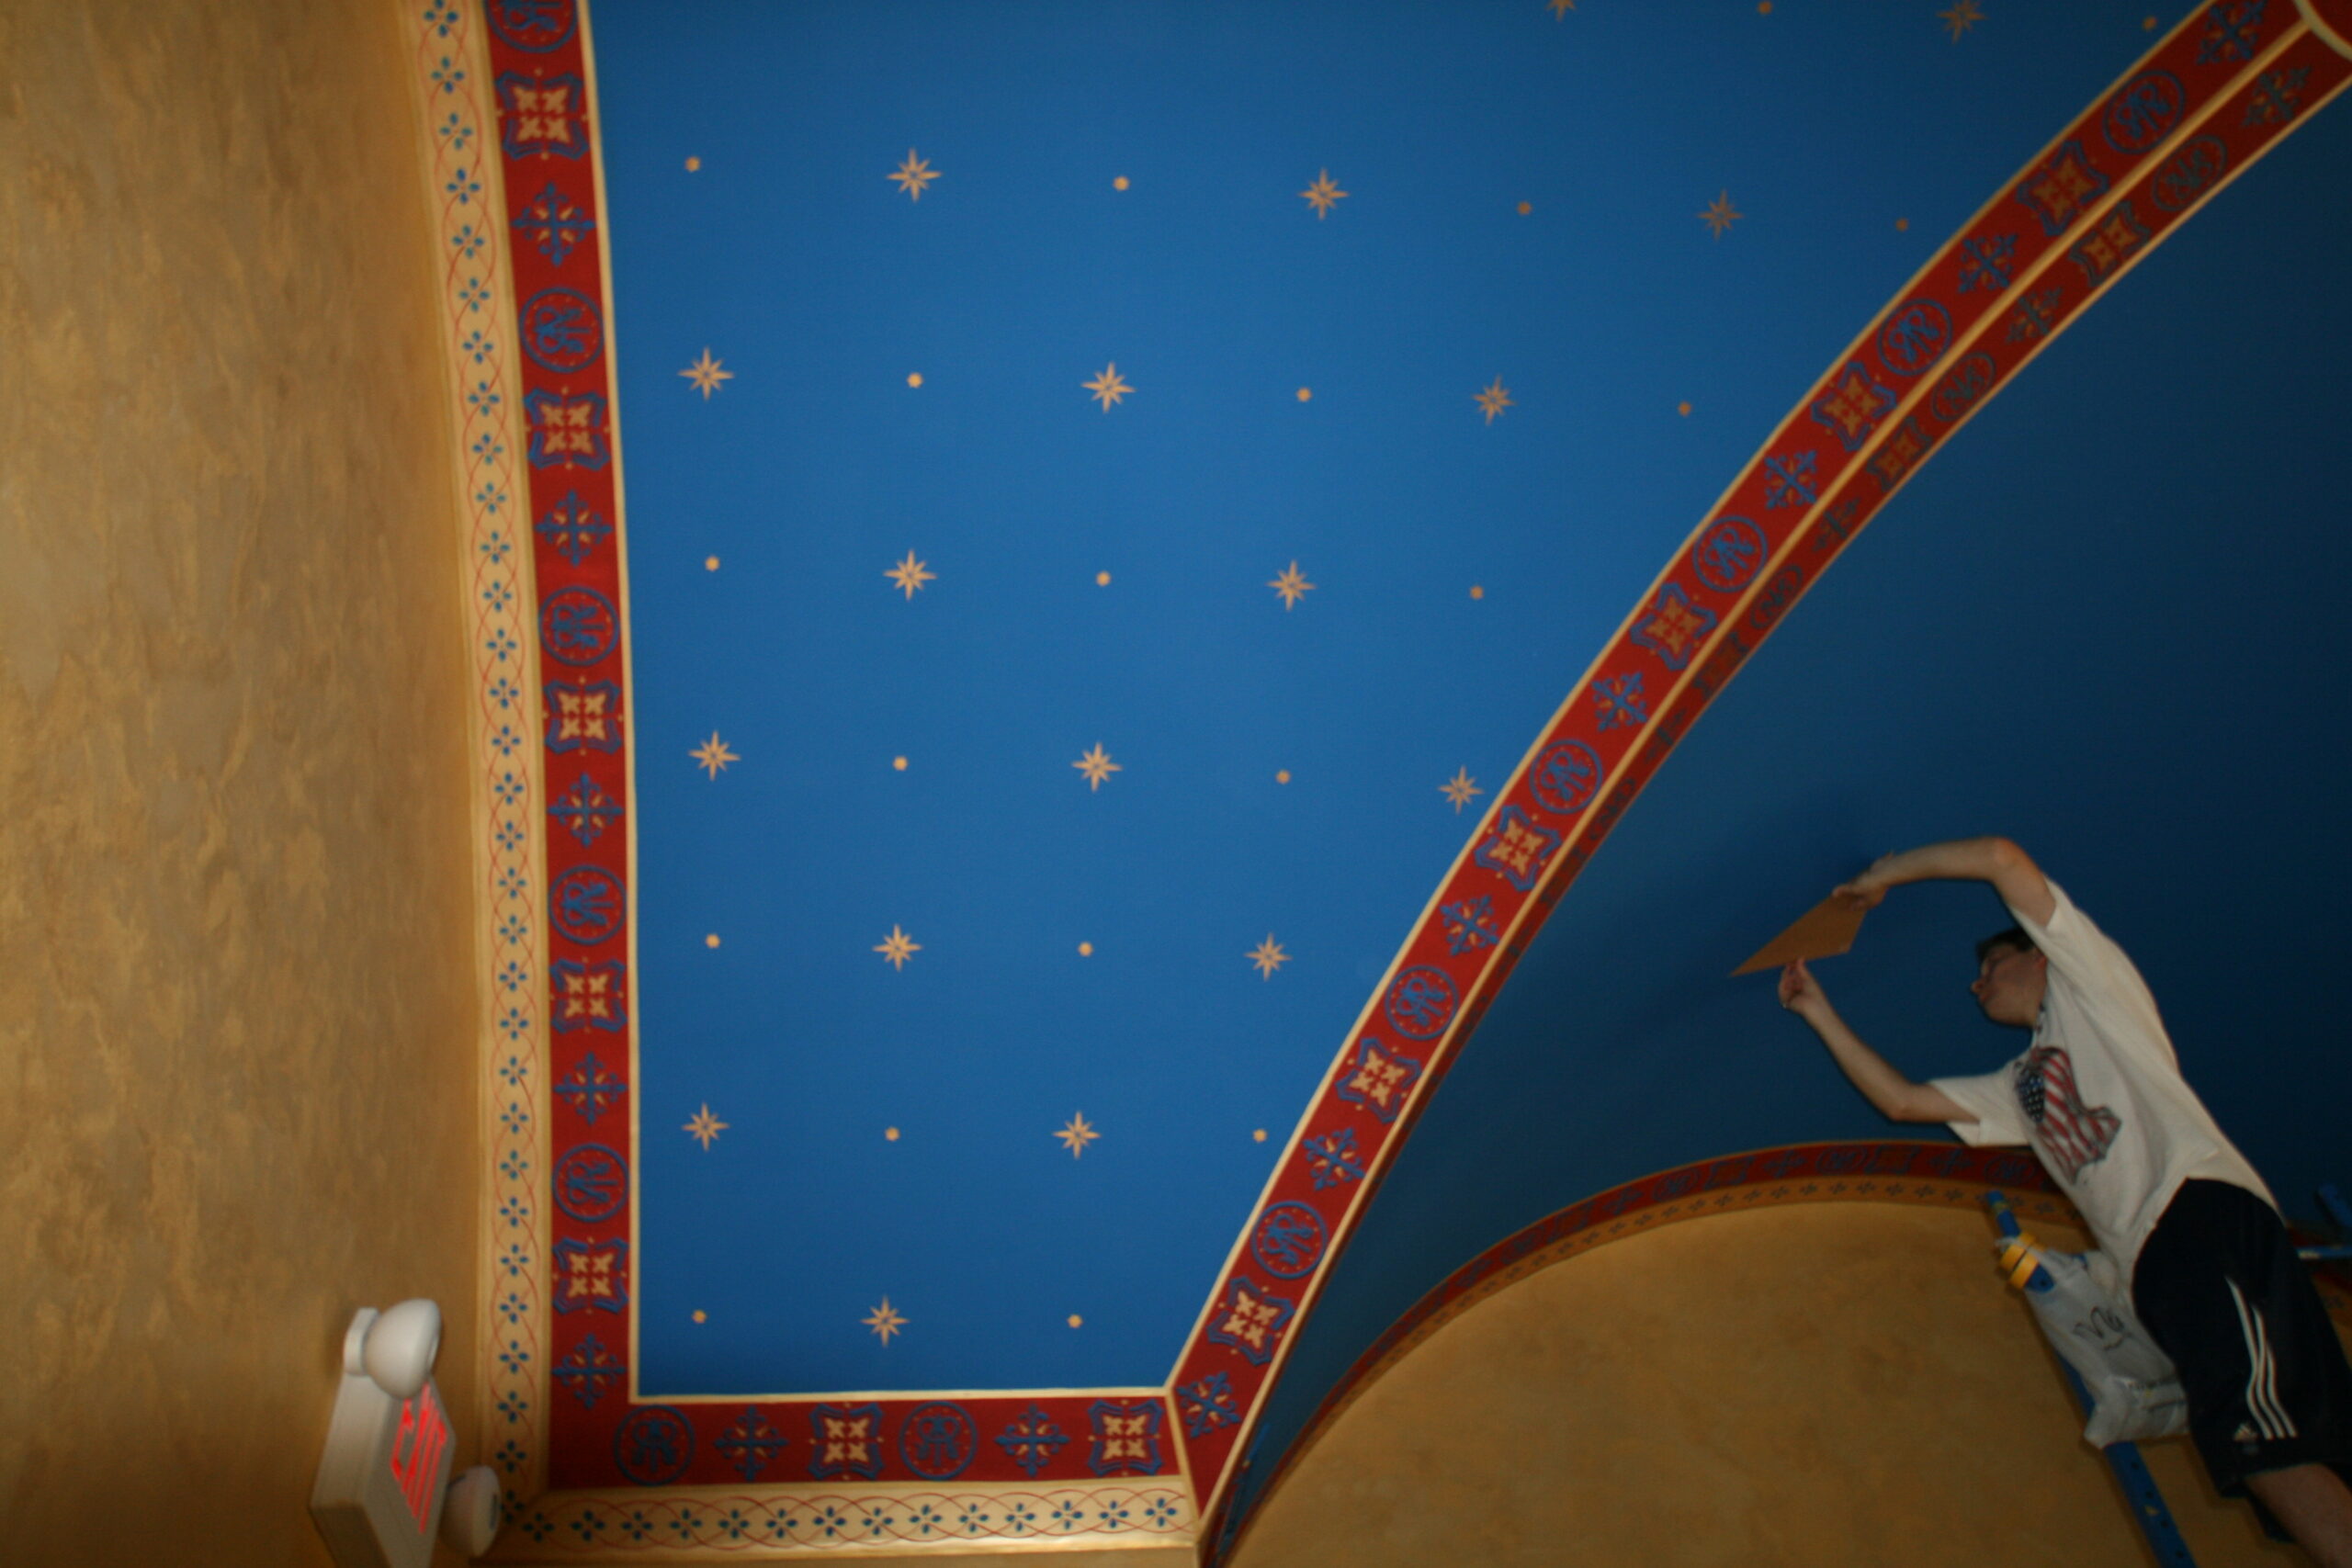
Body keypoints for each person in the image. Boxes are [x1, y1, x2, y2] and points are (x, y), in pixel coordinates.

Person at [1776, 836, 2352, 1564]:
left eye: (1990, 965)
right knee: (2286, 1438)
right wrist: (1815, 1010)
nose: (1975, 985)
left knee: (2258, 1436)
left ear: (2040, 956)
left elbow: (2001, 858)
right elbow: (1902, 1102)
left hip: (2193, 1212)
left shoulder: (2092, 991)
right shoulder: (2021, 1082)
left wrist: (1880, 876)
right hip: (2158, 1262)